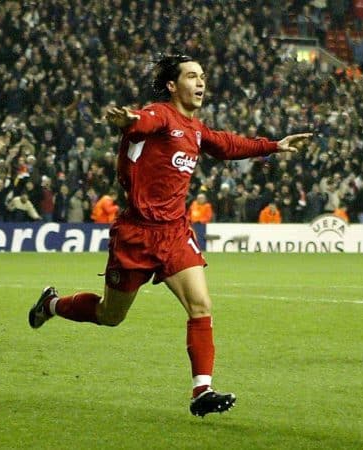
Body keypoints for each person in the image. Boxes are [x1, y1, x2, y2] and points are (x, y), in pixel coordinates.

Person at [28, 54, 312, 417]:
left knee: (201, 307)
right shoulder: (161, 114)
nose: (201, 82)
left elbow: (228, 145)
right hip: (136, 234)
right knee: (110, 315)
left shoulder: (195, 129)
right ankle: (51, 305)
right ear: (172, 85)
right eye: (192, 76)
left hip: (175, 232)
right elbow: (142, 120)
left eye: (203, 76)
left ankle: (201, 391)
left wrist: (274, 145)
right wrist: (128, 119)